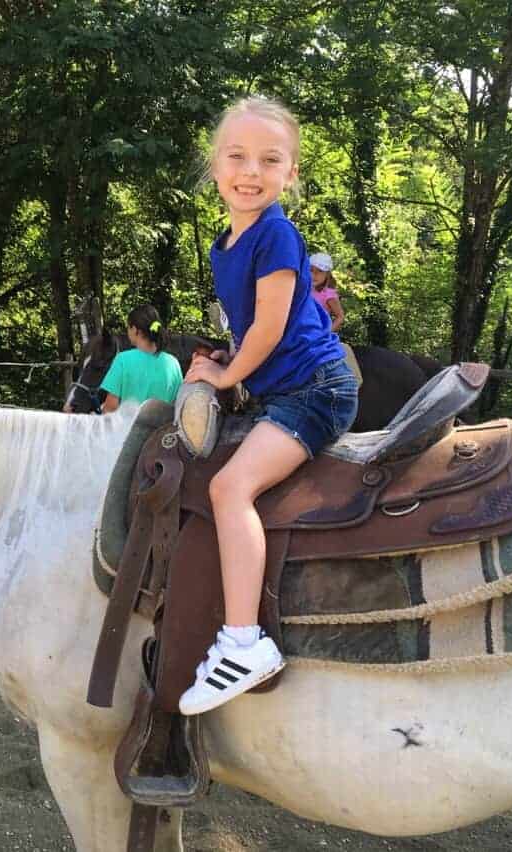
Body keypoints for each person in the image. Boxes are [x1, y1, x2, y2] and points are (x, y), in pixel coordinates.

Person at [178, 97, 358, 715]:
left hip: (316, 390)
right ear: (215, 165)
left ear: (291, 175)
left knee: (231, 489)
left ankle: (243, 642)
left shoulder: (278, 234)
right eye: (237, 156)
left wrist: (227, 378)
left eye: (269, 159)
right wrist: (216, 363)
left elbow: (269, 332)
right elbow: (241, 329)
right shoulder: (225, 244)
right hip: (283, 388)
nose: (250, 170)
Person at [96, 305, 183, 413]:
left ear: (135, 330)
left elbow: (111, 408)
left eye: (128, 327)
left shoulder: (123, 360)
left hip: (127, 429)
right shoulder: (173, 363)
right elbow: (177, 405)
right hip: (163, 429)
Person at [308, 252, 345, 332]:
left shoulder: (329, 294)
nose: (315, 274)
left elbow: (340, 317)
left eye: (320, 271)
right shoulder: (305, 289)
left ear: (327, 274)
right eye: (311, 270)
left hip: (318, 334)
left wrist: (326, 333)